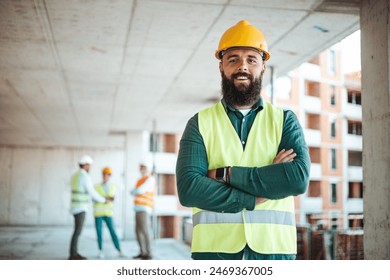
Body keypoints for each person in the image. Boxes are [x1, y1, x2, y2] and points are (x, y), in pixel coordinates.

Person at [176, 20, 310, 260]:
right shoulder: (199, 123)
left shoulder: (285, 121)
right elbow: (189, 190)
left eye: (251, 59)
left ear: (263, 68)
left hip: (274, 254)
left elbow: (296, 180)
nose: (243, 66)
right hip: (215, 254)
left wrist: (224, 174)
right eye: (233, 59)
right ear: (221, 68)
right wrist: (257, 192)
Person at [68, 155, 111, 260]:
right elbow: (91, 191)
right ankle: (73, 254)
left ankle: (74, 252)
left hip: (75, 206)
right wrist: (103, 200)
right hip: (80, 207)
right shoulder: (85, 177)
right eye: (89, 165)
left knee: (76, 231)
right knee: (77, 231)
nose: (90, 167)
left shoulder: (75, 175)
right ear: (86, 165)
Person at [93, 167, 124, 259]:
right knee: (99, 233)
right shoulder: (96, 187)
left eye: (108, 175)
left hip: (108, 213)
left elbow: (113, 198)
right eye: (105, 174)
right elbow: (94, 198)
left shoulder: (112, 186)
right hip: (98, 213)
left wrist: (103, 198)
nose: (107, 176)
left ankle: (119, 249)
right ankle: (100, 251)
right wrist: (105, 198)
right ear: (103, 175)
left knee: (113, 232)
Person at [130, 161, 156, 260]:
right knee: (138, 231)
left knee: (145, 231)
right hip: (138, 208)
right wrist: (136, 191)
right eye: (140, 167)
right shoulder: (140, 180)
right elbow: (132, 191)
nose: (141, 168)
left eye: (143, 167)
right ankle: (142, 251)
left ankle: (149, 253)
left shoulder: (150, 179)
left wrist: (136, 191)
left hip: (145, 208)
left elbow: (139, 190)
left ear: (147, 168)